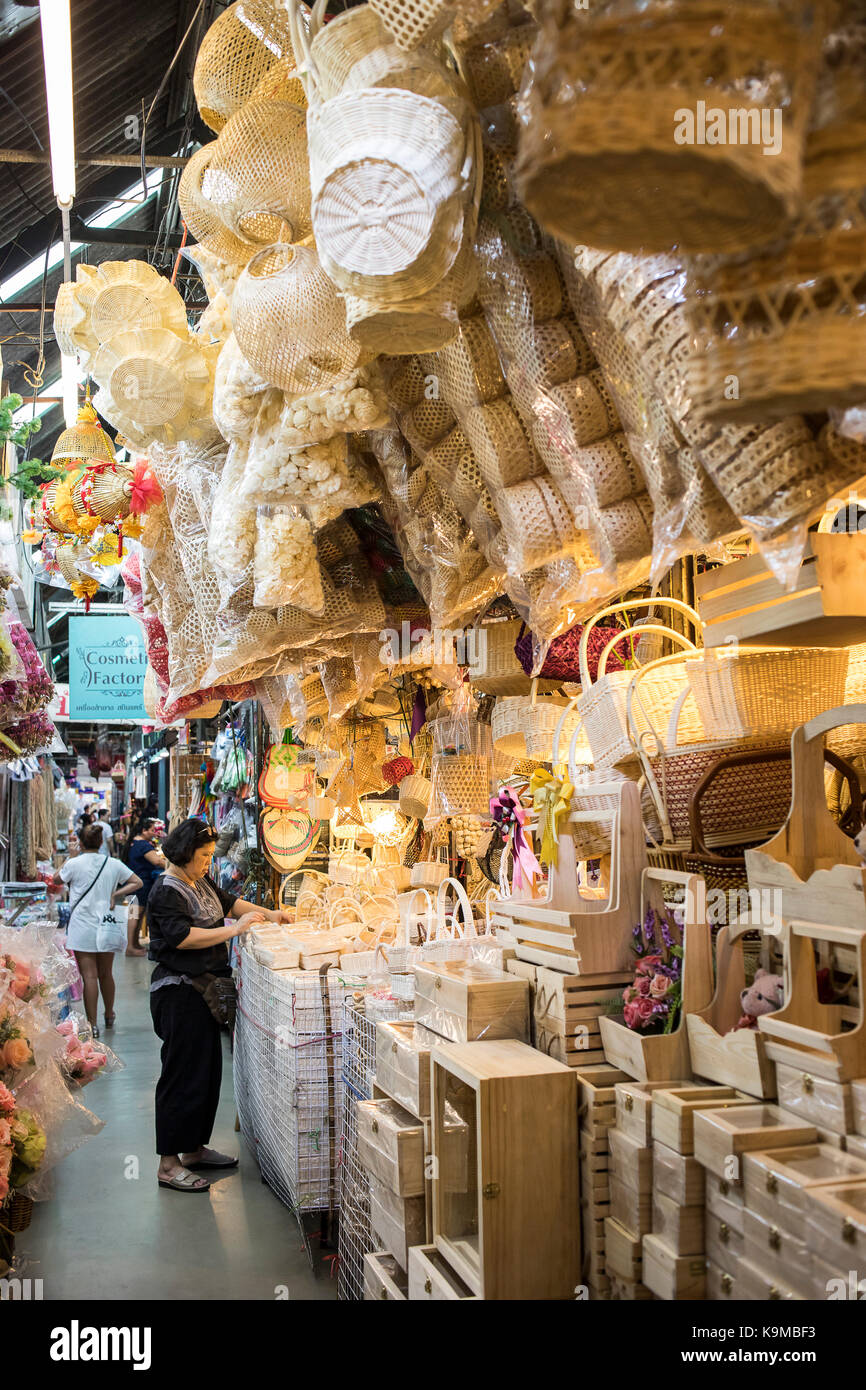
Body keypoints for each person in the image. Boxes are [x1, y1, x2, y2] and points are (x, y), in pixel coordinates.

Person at [146, 818, 289, 1194]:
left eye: (211, 855)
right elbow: (182, 938)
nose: (209, 861)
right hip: (179, 993)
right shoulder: (167, 889)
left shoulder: (199, 880)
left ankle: (192, 1150)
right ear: (184, 853)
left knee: (206, 1074)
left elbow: (228, 902)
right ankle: (168, 1164)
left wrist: (269, 914)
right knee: (181, 1076)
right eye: (204, 855)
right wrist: (233, 930)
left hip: (204, 991)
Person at [52, 825, 143, 1037]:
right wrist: (115, 895)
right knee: (106, 974)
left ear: (81, 843)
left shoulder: (74, 864)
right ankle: (109, 1014)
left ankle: (92, 1024)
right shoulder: (112, 863)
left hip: (81, 926)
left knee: (89, 977)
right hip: (106, 924)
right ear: (101, 842)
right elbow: (136, 882)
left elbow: (56, 879)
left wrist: (70, 856)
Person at [126, 819, 165, 957]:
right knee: (135, 915)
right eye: (152, 830)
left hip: (136, 883)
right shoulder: (143, 845)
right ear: (144, 831)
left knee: (137, 914)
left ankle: (134, 944)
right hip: (140, 884)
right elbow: (157, 861)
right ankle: (130, 947)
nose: (155, 833)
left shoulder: (135, 843)